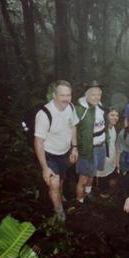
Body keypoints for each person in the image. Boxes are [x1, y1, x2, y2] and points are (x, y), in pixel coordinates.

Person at [34, 80, 79, 223]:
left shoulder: (70, 107)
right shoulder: (44, 114)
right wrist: (44, 168)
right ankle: (60, 214)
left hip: (64, 152)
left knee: (61, 181)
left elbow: (73, 127)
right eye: (62, 95)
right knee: (54, 184)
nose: (66, 99)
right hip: (49, 154)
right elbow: (38, 142)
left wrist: (74, 147)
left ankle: (59, 196)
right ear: (54, 95)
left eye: (69, 95)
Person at [74, 81, 106, 204]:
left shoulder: (100, 105)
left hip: (100, 147)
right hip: (88, 149)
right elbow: (72, 129)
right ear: (86, 95)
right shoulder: (80, 110)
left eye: (99, 94)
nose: (96, 97)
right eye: (93, 95)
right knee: (83, 178)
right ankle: (79, 202)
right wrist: (75, 147)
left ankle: (88, 194)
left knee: (93, 174)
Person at [96, 107, 120, 198]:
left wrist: (115, 160)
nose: (115, 117)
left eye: (117, 115)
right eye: (112, 115)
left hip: (111, 162)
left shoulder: (113, 128)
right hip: (102, 164)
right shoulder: (101, 129)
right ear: (106, 116)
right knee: (102, 187)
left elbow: (113, 145)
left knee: (113, 183)